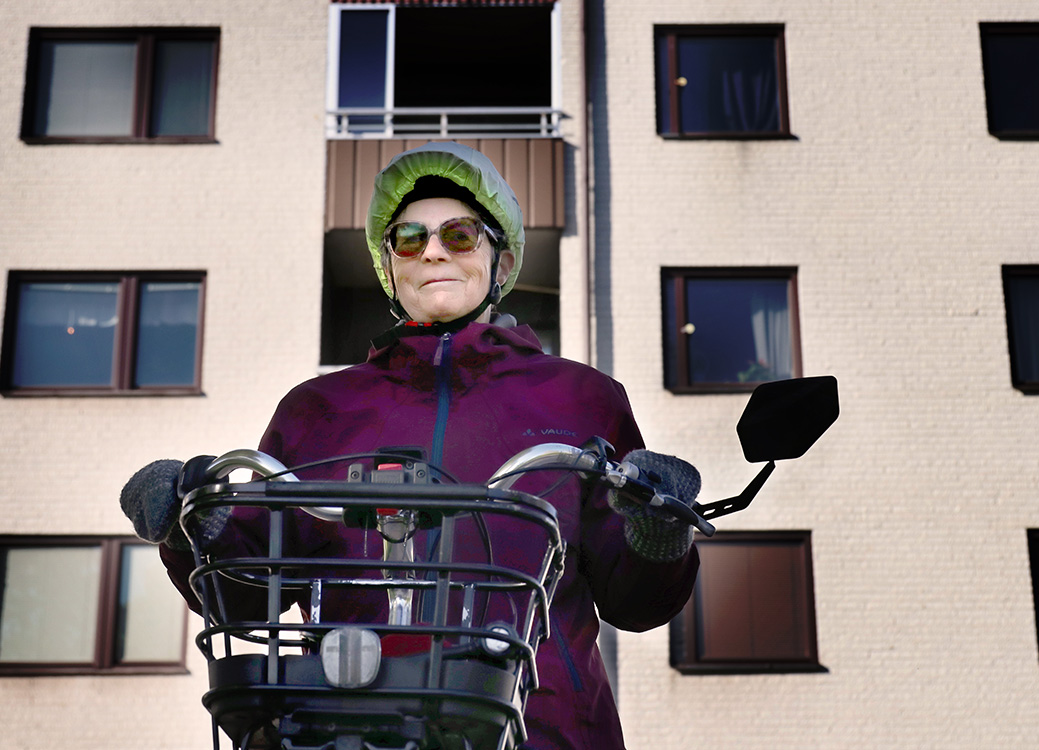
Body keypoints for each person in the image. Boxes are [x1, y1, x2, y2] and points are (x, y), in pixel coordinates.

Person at [123, 142, 700, 750]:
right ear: (389, 268)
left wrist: (657, 532)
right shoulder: (319, 408)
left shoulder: (581, 399)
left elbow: (636, 603)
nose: (432, 251)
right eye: (408, 239)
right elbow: (252, 594)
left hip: (537, 728)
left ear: (500, 263)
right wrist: (192, 527)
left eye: (459, 234)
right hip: (346, 726)